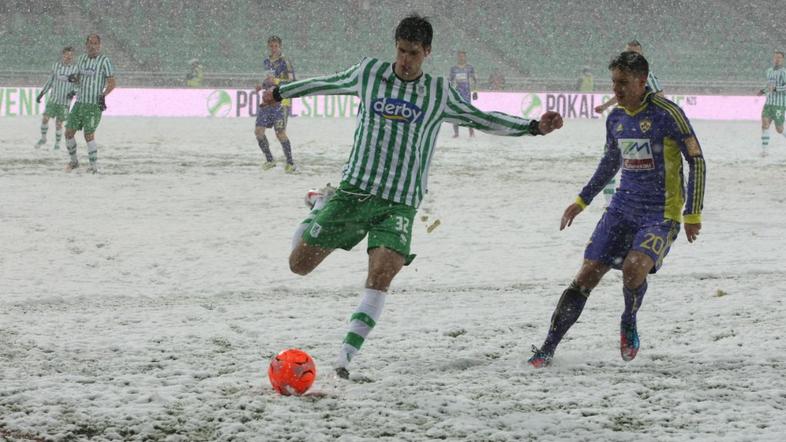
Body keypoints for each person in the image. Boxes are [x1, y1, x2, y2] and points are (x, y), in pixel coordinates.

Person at [260, 15, 563, 379]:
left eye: (414, 53)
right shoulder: (370, 73)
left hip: (399, 204)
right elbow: (327, 83)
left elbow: (480, 118)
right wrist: (281, 92)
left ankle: (344, 357)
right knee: (299, 265)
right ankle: (320, 205)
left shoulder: (438, 92)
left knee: (383, 272)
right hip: (354, 192)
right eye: (401, 51)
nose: (405, 60)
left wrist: (532, 127)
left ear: (428, 52)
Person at [528, 51, 706, 368]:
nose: (616, 90)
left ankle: (628, 319)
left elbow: (697, 160)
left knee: (633, 268)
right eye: (613, 82)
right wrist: (582, 200)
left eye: (623, 83)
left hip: (659, 214)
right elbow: (610, 162)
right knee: (586, 276)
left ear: (642, 81)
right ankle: (547, 348)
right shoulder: (616, 118)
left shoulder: (668, 114)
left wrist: (692, 214)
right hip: (622, 209)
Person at [64, 34, 115, 173]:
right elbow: (79, 78)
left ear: (99, 45)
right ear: (86, 45)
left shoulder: (104, 61)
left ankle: (93, 167)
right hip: (80, 103)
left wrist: (103, 95)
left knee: (89, 135)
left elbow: (112, 82)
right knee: (68, 133)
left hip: (93, 105)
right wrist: (74, 80)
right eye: (90, 43)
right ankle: (74, 162)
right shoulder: (81, 59)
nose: (92, 46)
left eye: (95, 43)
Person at [254, 35, 296, 173]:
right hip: (267, 101)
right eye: (271, 46)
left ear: (280, 47)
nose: (273, 48)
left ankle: (290, 163)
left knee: (280, 133)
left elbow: (292, 81)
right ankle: (270, 160)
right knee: (259, 132)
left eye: (276, 46)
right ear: (268, 46)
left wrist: (276, 81)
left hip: (281, 101)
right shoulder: (266, 61)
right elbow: (268, 81)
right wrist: (262, 85)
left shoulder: (285, 61)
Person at [594, 40, 663, 114]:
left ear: (641, 55)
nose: (630, 56)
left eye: (634, 54)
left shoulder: (646, 75)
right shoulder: (624, 73)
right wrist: (605, 106)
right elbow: (623, 93)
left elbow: (660, 96)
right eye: (627, 53)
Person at [35, 46, 78, 150]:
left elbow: (78, 84)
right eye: (67, 55)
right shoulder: (56, 66)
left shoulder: (76, 69)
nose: (69, 57)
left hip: (65, 102)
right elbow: (50, 81)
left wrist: (73, 92)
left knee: (59, 123)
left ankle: (57, 144)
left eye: (71, 55)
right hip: (54, 99)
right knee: (45, 118)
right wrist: (42, 93)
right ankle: (43, 138)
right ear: (63, 55)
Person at [757, 50, 786, 156]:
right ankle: (765, 151)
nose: (777, 59)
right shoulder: (769, 71)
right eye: (775, 57)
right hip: (769, 103)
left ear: (782, 60)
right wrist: (763, 91)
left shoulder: (784, 72)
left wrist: (776, 89)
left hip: (779, 104)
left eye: (779, 57)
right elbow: (769, 85)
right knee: (764, 124)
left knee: (779, 129)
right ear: (773, 59)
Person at [448, 50, 478, 137]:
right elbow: (450, 80)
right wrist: (449, 91)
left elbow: (475, 80)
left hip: (467, 93)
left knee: (469, 112)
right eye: (459, 56)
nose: (461, 57)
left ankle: (471, 132)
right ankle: (456, 133)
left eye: (463, 56)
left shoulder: (470, 67)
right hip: (457, 93)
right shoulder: (453, 68)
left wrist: (475, 91)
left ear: (465, 57)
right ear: (457, 57)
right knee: (456, 112)